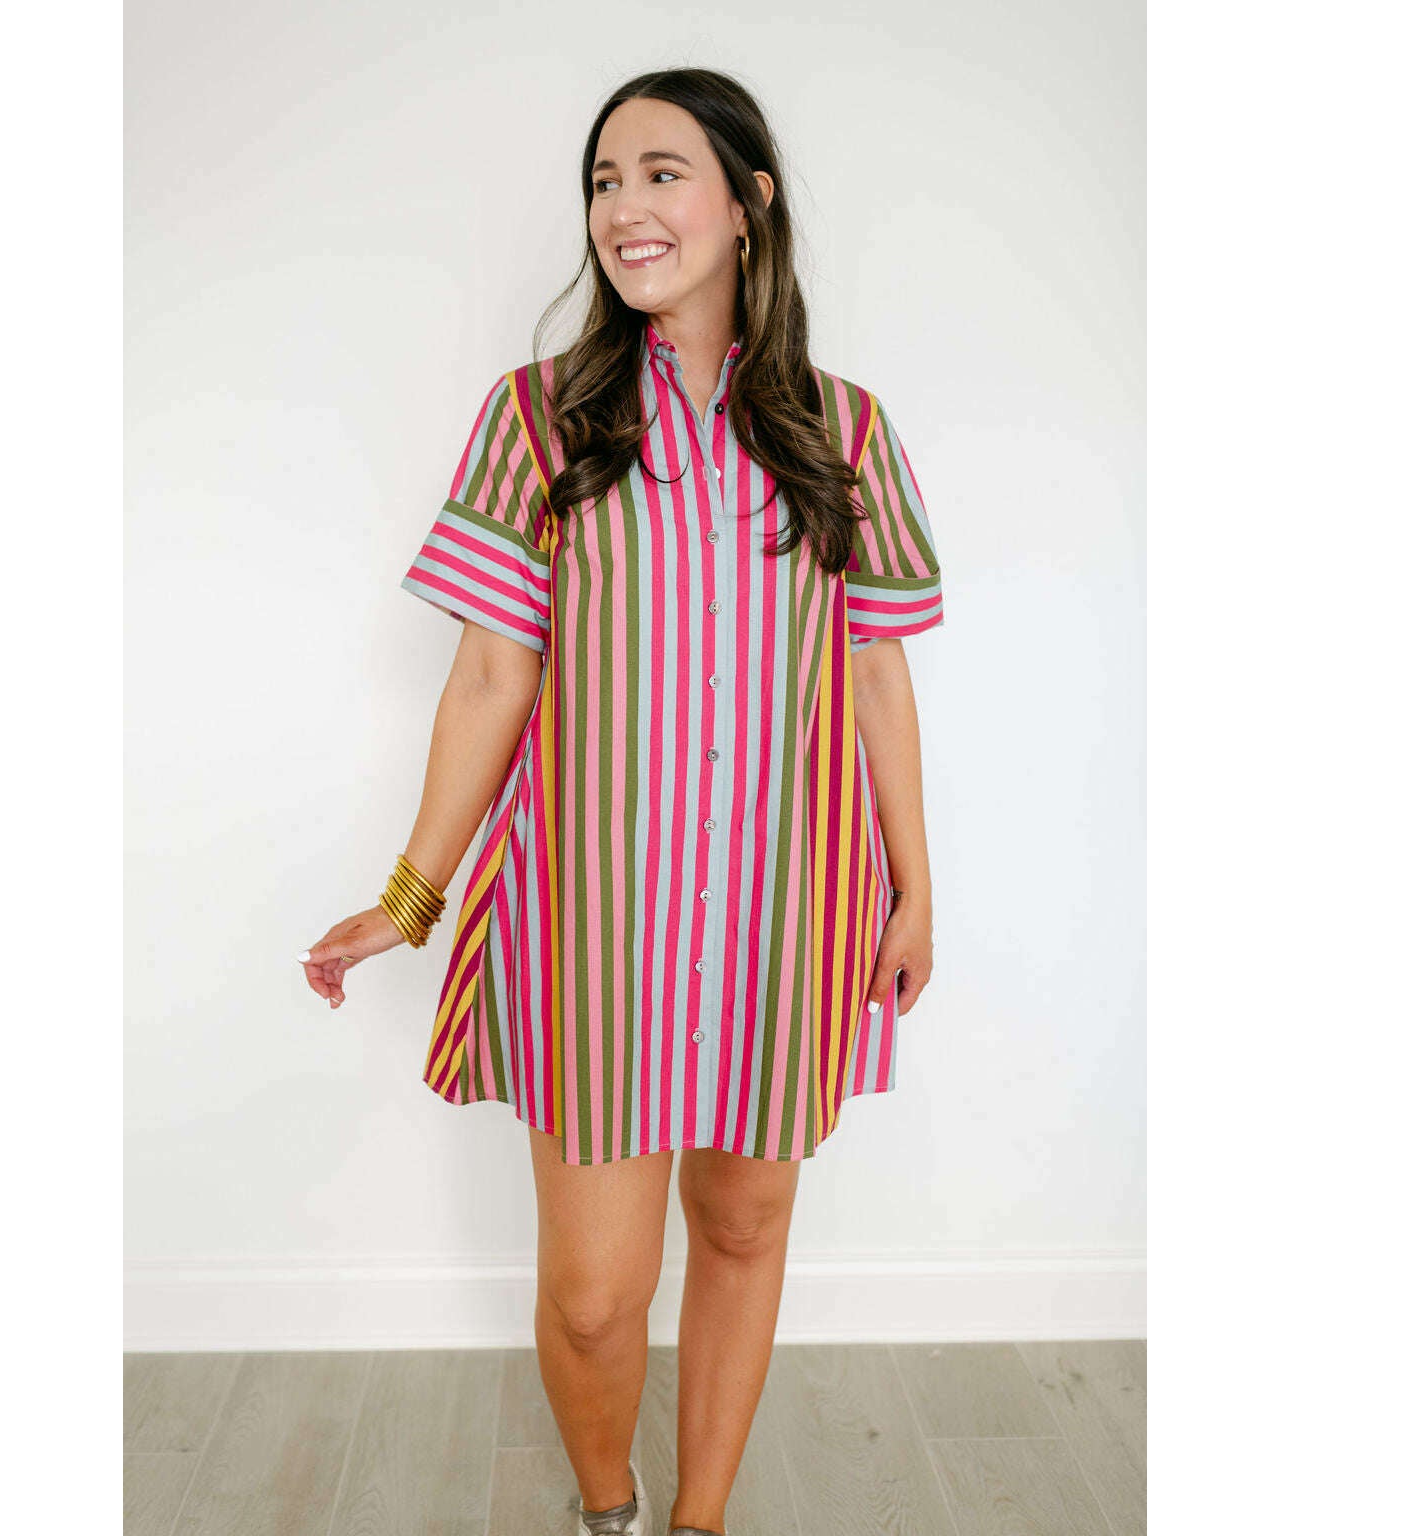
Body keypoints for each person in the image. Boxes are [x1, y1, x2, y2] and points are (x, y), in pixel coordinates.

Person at [299, 66, 944, 1536]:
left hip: (788, 907)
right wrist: (409, 893)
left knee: (745, 1225)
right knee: (596, 1296)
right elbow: (489, 677)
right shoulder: (541, 421)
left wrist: (915, 887)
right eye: (604, 180)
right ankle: (610, 1514)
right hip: (594, 919)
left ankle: (700, 1521)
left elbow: (875, 674)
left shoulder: (843, 433)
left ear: (747, 203)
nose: (623, 207)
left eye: (661, 173)